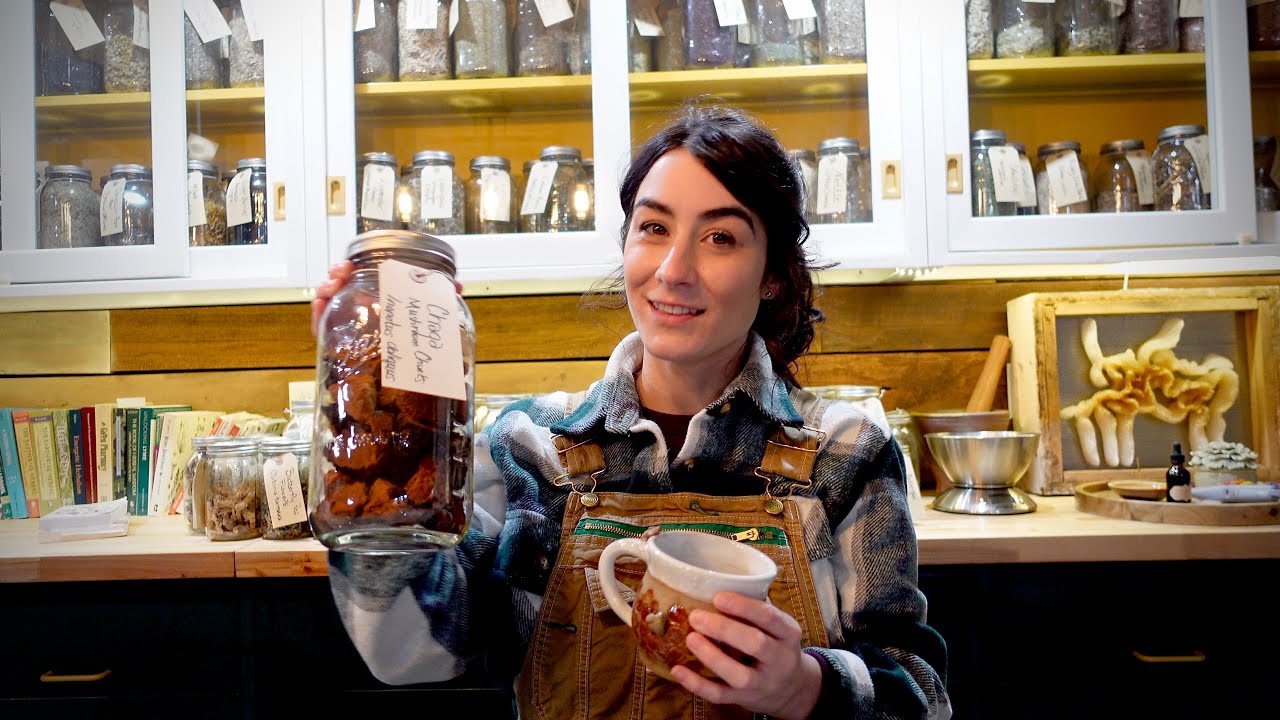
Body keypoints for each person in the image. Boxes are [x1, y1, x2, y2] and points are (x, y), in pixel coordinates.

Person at [313, 104, 950, 720]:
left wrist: (804, 688)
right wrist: (379, 404)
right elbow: (413, 654)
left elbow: (921, 692)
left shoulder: (844, 451)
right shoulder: (531, 447)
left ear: (773, 275)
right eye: (653, 228)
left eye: (720, 237)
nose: (673, 271)